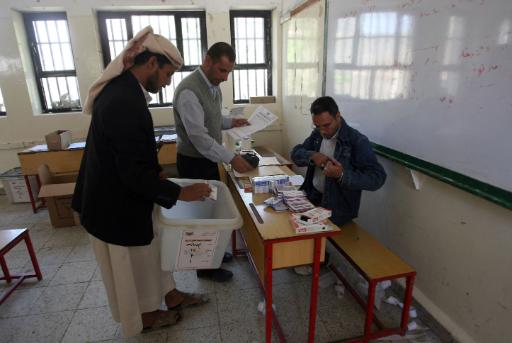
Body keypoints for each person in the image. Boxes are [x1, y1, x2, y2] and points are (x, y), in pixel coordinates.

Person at [72, 27, 211, 337]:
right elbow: (130, 173)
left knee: (152, 252)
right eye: (167, 73)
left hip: (125, 197)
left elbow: (128, 154)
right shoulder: (123, 100)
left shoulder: (126, 91)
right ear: (151, 64)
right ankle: (145, 318)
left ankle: (171, 297)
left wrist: (154, 171)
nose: (168, 81)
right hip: (112, 208)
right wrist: (180, 192)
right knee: (132, 267)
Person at [173, 42, 254, 282]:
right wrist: (231, 158)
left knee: (210, 211)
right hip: (193, 161)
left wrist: (231, 122)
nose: (225, 77)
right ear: (207, 60)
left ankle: (212, 256)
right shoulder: (189, 91)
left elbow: (212, 119)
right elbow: (198, 136)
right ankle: (204, 268)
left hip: (206, 160)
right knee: (200, 216)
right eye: (222, 70)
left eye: (229, 72)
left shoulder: (212, 86)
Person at [291, 96, 386, 227]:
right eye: (317, 126)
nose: (322, 131)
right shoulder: (317, 134)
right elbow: (295, 153)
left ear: (338, 116)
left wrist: (342, 175)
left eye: (326, 125)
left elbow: (377, 178)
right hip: (312, 199)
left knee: (318, 243)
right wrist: (312, 155)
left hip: (337, 210)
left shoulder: (357, 141)